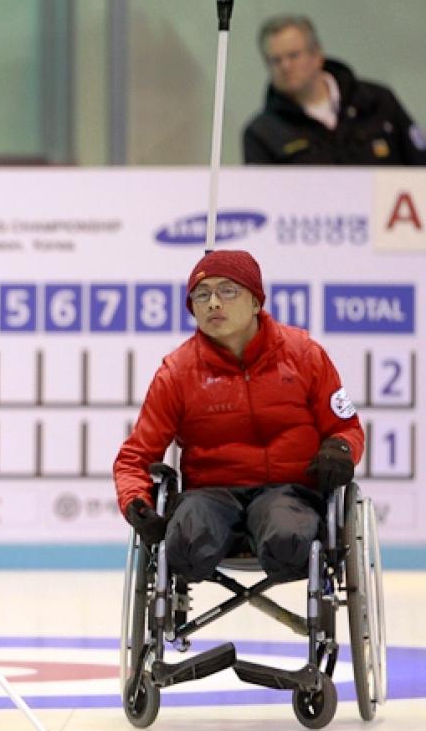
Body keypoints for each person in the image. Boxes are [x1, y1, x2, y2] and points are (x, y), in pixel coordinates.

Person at [113, 250, 364, 583]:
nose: (213, 303)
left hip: (288, 491)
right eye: (202, 295)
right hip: (210, 493)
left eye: (227, 291)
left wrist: (340, 450)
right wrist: (136, 503)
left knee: (287, 541)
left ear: (256, 302)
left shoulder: (304, 355)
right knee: (185, 545)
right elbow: (135, 457)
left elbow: (346, 428)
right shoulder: (177, 373)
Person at [243, 15, 426, 165]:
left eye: (294, 56)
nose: (285, 66)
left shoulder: (375, 102)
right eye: (275, 60)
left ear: (317, 55)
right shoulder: (263, 132)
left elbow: (419, 164)